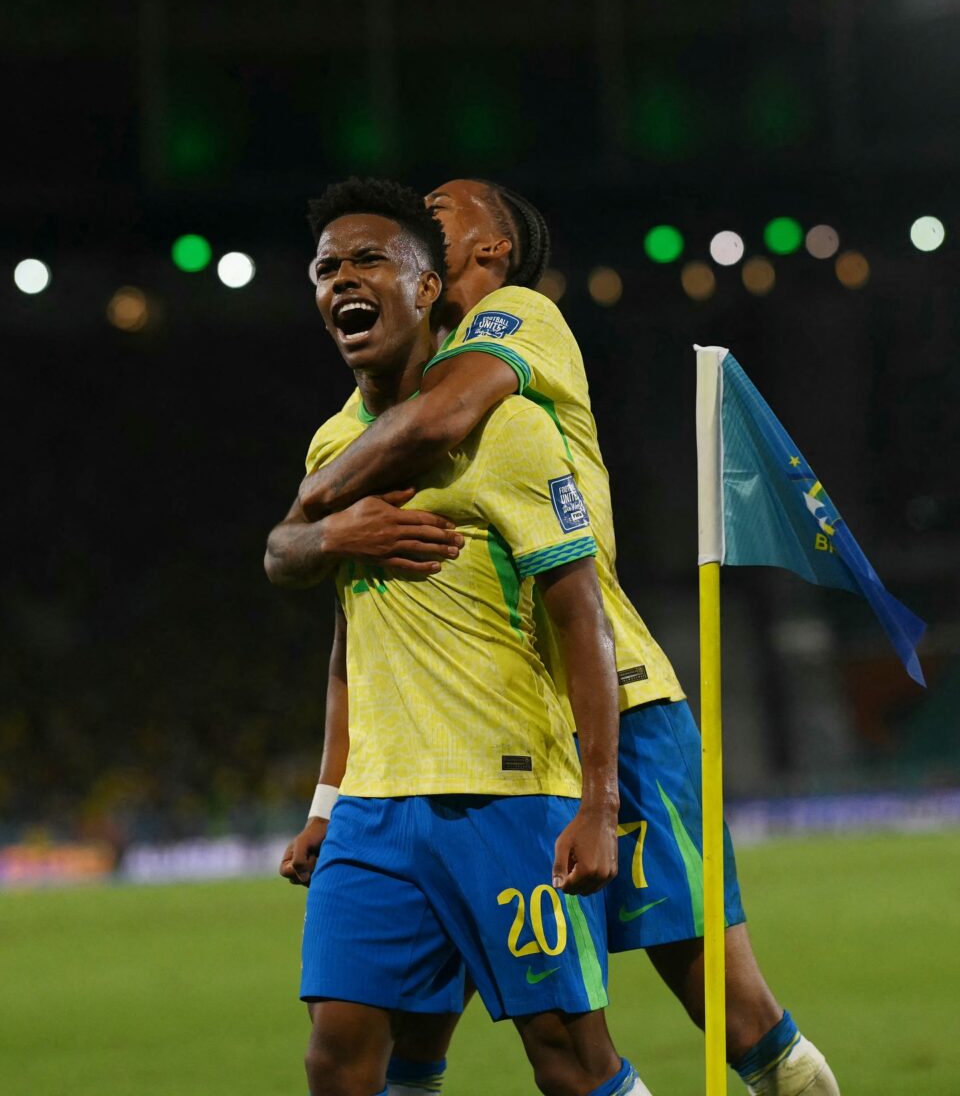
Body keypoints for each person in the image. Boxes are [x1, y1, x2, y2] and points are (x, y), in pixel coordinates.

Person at [276, 178, 840, 1096]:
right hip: (459, 732)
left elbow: (443, 419)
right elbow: (351, 626)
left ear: (488, 251)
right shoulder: (368, 402)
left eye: (440, 214)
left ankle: (795, 1081)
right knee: (402, 1028)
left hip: (613, 702)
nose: (421, 216)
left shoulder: (518, 321)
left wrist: (308, 514)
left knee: (719, 1006)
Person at [266, 177, 653, 1096]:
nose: (342, 280)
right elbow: (340, 637)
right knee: (338, 1056)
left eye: (369, 260)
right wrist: (327, 800)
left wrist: (598, 801)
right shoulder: (333, 450)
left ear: (428, 286)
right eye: (326, 269)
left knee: (568, 1056)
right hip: (375, 808)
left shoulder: (509, 431)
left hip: (507, 793)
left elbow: (582, 618)